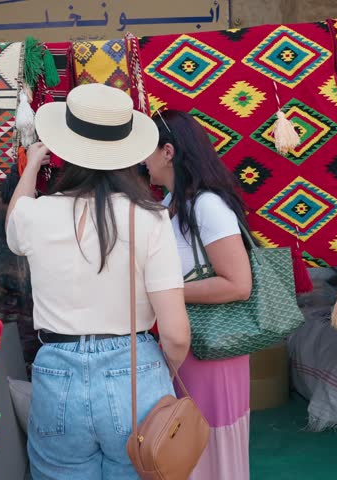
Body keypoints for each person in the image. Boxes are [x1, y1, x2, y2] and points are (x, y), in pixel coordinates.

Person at [6, 84, 191, 479]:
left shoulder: (37, 215)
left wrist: (32, 166)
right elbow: (176, 335)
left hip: (57, 374)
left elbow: (14, 223)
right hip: (135, 370)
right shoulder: (150, 218)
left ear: (65, 148)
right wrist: (155, 374)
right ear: (126, 150)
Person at [143, 109, 254, 480]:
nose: (144, 159)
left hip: (214, 348)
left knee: (207, 445)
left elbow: (239, 283)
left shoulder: (207, 206)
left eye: (148, 149)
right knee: (182, 443)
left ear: (168, 152)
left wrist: (169, 294)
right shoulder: (168, 206)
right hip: (185, 344)